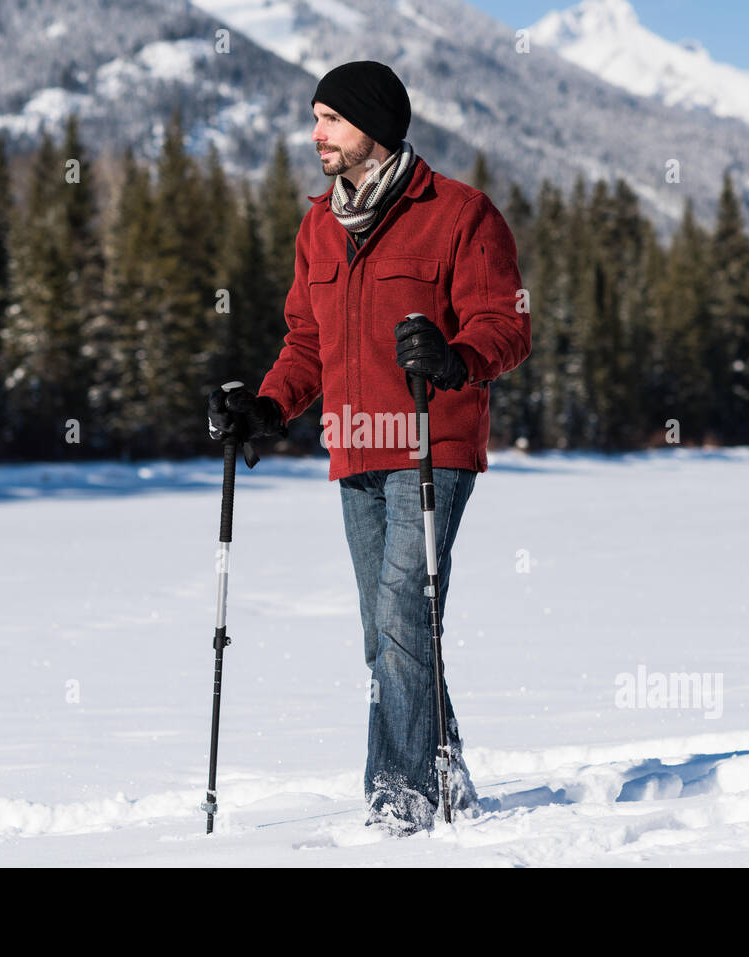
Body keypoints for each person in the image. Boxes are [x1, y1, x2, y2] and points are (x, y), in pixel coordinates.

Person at [207, 60, 531, 833]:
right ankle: (442, 762)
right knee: (384, 631)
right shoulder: (320, 225)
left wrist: (456, 356)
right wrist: (266, 406)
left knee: (401, 622)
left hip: (431, 444)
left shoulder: (460, 213)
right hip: (355, 447)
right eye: (314, 118)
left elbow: (507, 324)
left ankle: (401, 800)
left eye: (330, 120)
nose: (315, 134)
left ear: (372, 130)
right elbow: (307, 343)